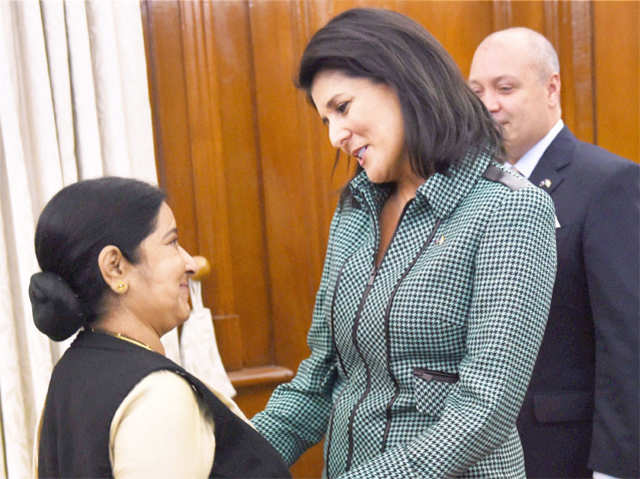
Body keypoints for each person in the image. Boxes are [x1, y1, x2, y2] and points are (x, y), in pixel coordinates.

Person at [252, 8, 557, 478]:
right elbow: (318, 379)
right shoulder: (355, 210)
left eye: (343, 107)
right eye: (324, 120)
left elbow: (484, 409)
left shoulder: (510, 209)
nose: (335, 136)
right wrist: (226, 462)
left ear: (402, 80)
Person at [30, 177, 291, 478]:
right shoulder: (158, 394)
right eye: (172, 242)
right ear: (115, 267)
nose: (191, 263)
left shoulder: (69, 373)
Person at [469, 27, 639, 479]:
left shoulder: (607, 183)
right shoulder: (473, 192)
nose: (489, 105)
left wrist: (616, 469)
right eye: (477, 91)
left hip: (566, 454)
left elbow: (626, 341)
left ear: (551, 87)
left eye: (505, 88)